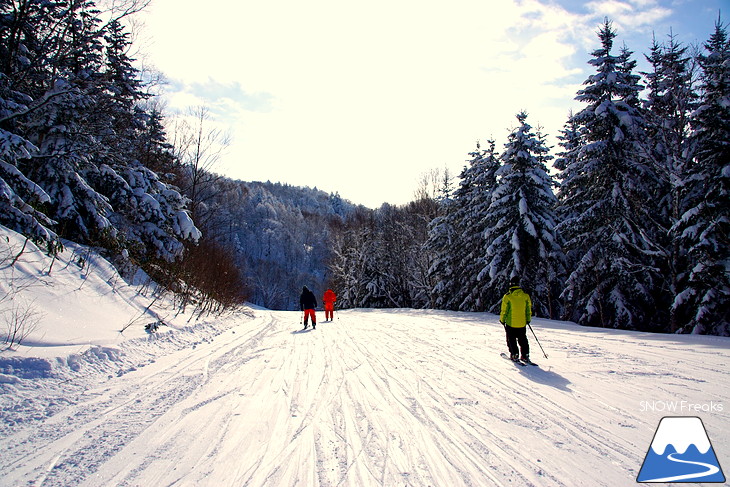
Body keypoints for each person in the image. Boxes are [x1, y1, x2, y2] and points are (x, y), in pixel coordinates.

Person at [500, 276, 532, 362]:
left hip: (511, 323)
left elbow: (504, 310)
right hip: (522, 323)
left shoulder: (508, 296)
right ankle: (525, 355)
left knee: (511, 339)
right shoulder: (525, 296)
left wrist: (502, 320)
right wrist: (528, 319)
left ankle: (514, 354)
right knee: (523, 339)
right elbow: (528, 309)